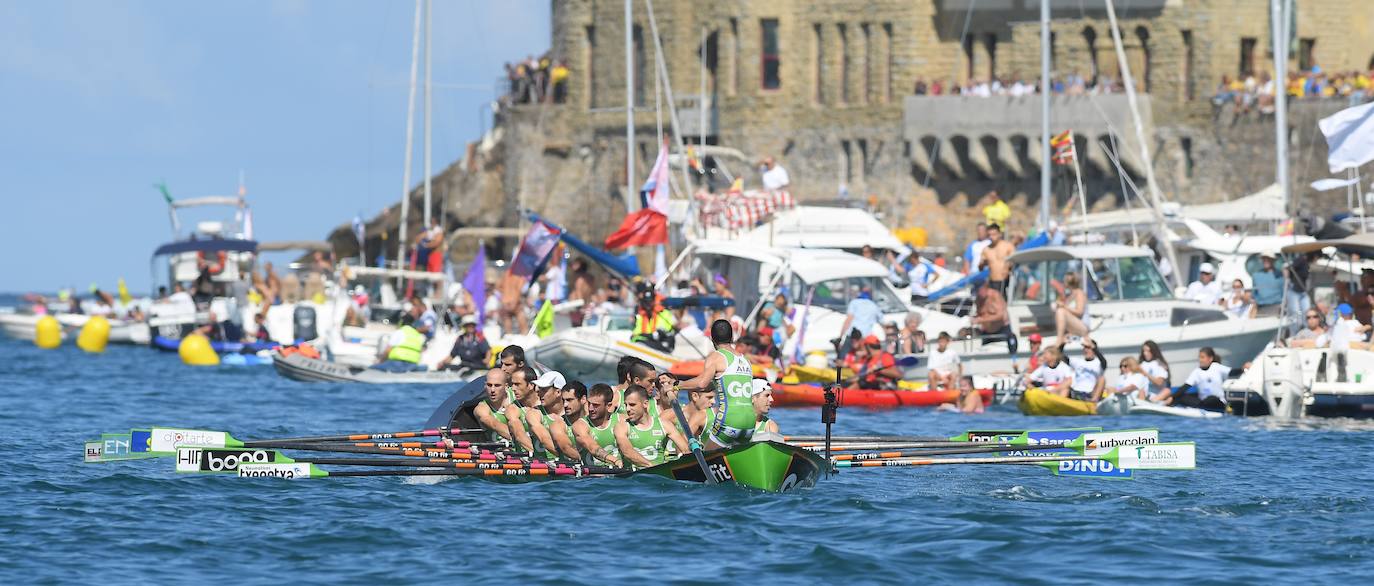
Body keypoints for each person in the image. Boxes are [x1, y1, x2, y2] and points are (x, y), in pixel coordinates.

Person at [678, 319, 756, 450]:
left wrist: (677, 385)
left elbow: (702, 383)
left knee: (708, 459)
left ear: (711, 338)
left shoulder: (715, 357)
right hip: (750, 421)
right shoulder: (745, 360)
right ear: (731, 337)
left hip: (730, 419)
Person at [614, 385, 690, 470]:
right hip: (633, 479)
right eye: (626, 405)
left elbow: (686, 450)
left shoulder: (665, 425)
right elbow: (627, 452)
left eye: (632, 405)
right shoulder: (621, 427)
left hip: (659, 478)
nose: (627, 409)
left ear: (645, 404)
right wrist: (651, 466)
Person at [526, 371, 581, 461]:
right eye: (539, 389)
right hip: (543, 470)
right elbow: (545, 439)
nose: (539, 393)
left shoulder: (573, 413)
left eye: (544, 390)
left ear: (558, 392)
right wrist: (576, 458)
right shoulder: (534, 413)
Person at [570, 383, 623, 468]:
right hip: (592, 479)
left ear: (608, 406)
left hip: (619, 477)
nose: (590, 409)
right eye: (589, 403)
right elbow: (593, 448)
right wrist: (616, 461)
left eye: (595, 405)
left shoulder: (622, 420)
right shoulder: (579, 425)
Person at [1173, 347, 1232, 412]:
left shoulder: (1216, 367)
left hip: (1218, 403)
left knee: (1211, 399)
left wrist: (1242, 369)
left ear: (1210, 358)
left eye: (1202, 357)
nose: (1200, 360)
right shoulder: (1196, 371)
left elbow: (1232, 372)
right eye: (1199, 357)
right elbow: (1185, 387)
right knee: (1181, 397)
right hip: (1202, 403)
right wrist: (1172, 397)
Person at [473, 369, 518, 443]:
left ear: (506, 386)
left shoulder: (516, 396)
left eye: (497, 385)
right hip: (502, 451)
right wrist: (521, 438)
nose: (492, 390)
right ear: (485, 386)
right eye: (489, 385)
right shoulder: (481, 408)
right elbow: (494, 425)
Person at [630, 281, 677, 352]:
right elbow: (635, 334)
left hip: (663, 345)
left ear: (654, 301)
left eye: (650, 302)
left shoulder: (664, 313)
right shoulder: (642, 315)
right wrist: (641, 336)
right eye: (646, 302)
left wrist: (646, 336)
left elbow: (661, 333)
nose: (648, 305)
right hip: (648, 345)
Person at [838, 287, 882, 354]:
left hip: (853, 336)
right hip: (865, 336)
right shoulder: (874, 305)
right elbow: (882, 320)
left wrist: (840, 337)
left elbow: (848, 321)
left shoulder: (854, 303)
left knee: (843, 358)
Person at [979, 224, 1016, 295]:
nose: (991, 237)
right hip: (992, 282)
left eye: (994, 234)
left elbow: (1015, 262)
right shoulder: (986, 249)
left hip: (1005, 281)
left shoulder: (1008, 246)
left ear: (999, 234)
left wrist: (1009, 267)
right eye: (989, 235)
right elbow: (980, 268)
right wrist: (982, 263)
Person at [1054, 272, 1091, 341]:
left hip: (1083, 326)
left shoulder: (1079, 293)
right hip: (1076, 324)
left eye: (1064, 280)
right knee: (1060, 311)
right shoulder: (1070, 295)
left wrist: (1064, 306)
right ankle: (1062, 337)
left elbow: (1079, 312)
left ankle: (1059, 339)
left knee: (1061, 311)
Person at [1250, 252, 1284, 316]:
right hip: (1260, 309)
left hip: (1276, 308)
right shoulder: (1256, 275)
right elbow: (1254, 293)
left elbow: (1284, 293)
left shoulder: (1280, 275)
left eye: (1268, 259)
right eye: (1264, 259)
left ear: (1273, 260)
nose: (1266, 261)